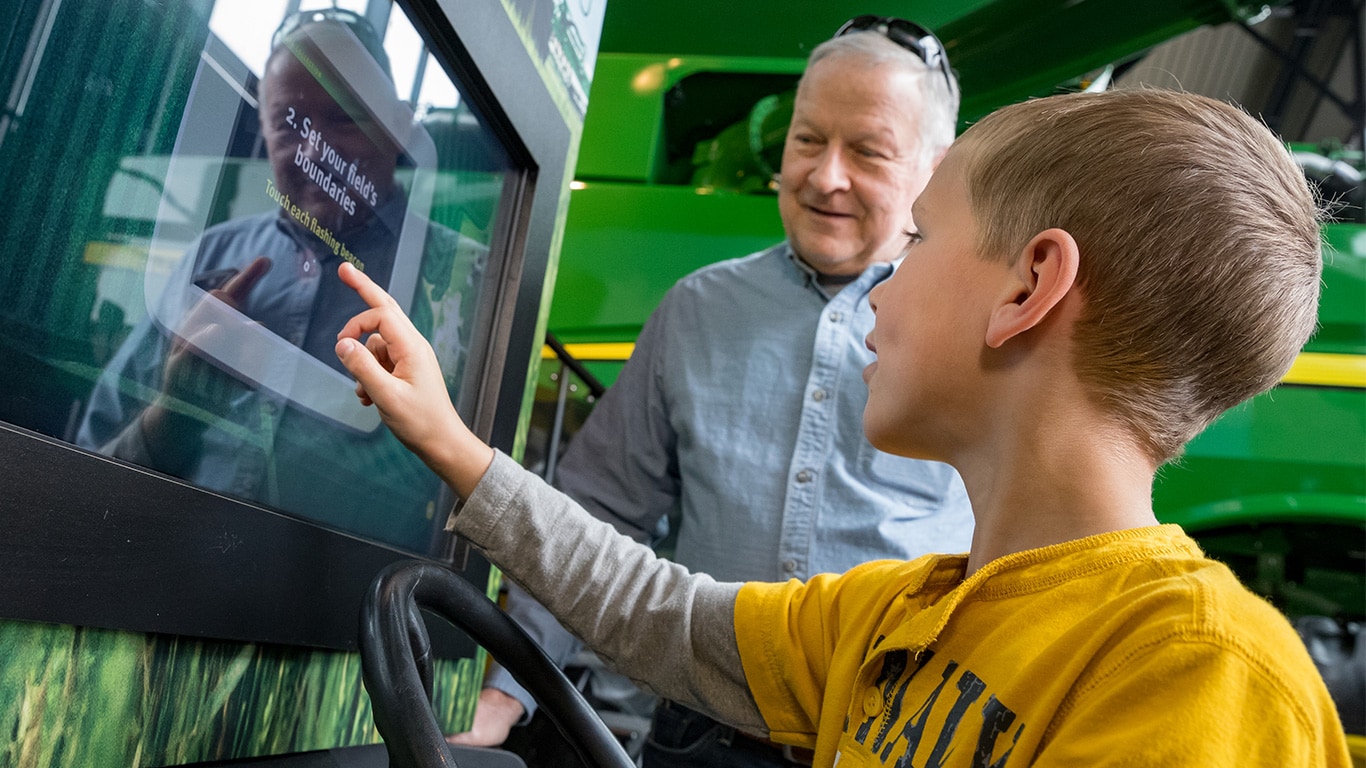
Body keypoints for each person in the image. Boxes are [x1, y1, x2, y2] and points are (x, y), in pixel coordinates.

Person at [335, 86, 1351, 766]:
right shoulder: (894, 615)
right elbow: (668, 618)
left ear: (1030, 285)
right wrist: (455, 447)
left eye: (918, 242)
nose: (874, 300)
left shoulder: (1200, 675)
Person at [464, 18, 975, 763]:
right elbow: (598, 510)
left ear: (932, 169)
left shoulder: (970, 329)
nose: (826, 175)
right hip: (700, 741)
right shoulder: (697, 311)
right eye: (807, 140)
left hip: (891, 744)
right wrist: (508, 689)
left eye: (867, 151)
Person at [77, 10, 485, 547]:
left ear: (399, 129)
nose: (314, 151)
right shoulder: (212, 254)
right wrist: (174, 418)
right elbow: (90, 467)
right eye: (290, 124)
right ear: (264, 129)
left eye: (341, 120)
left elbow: (482, 494)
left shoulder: (466, 282)